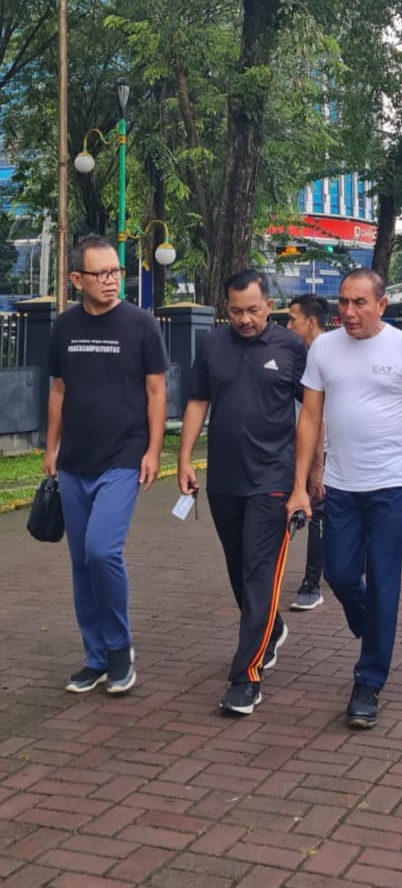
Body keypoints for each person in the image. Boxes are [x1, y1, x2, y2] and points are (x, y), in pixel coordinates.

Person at [287, 268, 402, 729]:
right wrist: (300, 484)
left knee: (382, 579)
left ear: (381, 304)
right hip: (340, 483)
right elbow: (309, 418)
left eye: (360, 302)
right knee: (339, 573)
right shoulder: (324, 348)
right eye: (343, 302)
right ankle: (372, 622)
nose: (349, 311)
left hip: (390, 484)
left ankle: (368, 681)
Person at [178, 268, 307, 716]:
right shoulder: (212, 344)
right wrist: (185, 458)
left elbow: (313, 413)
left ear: (270, 305)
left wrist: (308, 478)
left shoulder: (291, 348)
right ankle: (270, 628)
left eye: (253, 310)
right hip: (224, 478)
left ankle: (246, 677)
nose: (245, 319)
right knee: (238, 568)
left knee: (259, 571)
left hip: (273, 479)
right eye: (236, 311)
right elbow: (198, 401)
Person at [43, 234, 168, 695]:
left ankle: (119, 648)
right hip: (75, 460)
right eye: (101, 274)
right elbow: (59, 389)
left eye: (116, 271)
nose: (112, 280)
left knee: (101, 551)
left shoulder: (141, 324)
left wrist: (153, 450)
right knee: (81, 562)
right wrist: (51, 447)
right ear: (77, 279)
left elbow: (157, 391)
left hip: (123, 456)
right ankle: (95, 657)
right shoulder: (64, 326)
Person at [286, 294, 328, 610]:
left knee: (318, 510)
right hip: (300, 446)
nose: (288, 326)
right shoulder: (299, 353)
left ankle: (312, 584)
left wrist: (317, 464)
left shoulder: (325, 354)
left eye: (293, 319)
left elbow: (319, 414)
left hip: (326, 449)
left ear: (310, 322)